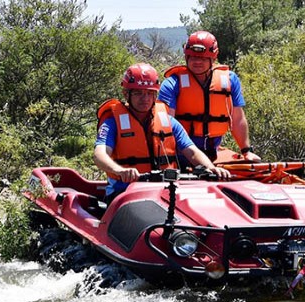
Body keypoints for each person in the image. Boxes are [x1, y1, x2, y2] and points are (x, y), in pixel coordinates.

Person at [94, 63, 230, 203]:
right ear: (126, 94)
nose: (145, 98)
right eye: (138, 93)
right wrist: (120, 171)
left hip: (164, 191)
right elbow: (100, 155)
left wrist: (211, 168)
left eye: (150, 93)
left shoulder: (168, 121)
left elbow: (192, 151)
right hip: (124, 192)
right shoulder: (112, 122)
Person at [158, 30, 261, 165]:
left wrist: (246, 151)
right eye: (192, 57)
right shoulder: (172, 83)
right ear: (186, 57)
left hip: (213, 151)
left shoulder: (230, 80)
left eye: (202, 58)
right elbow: (166, 125)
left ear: (213, 57)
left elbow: (237, 119)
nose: (197, 62)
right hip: (182, 153)